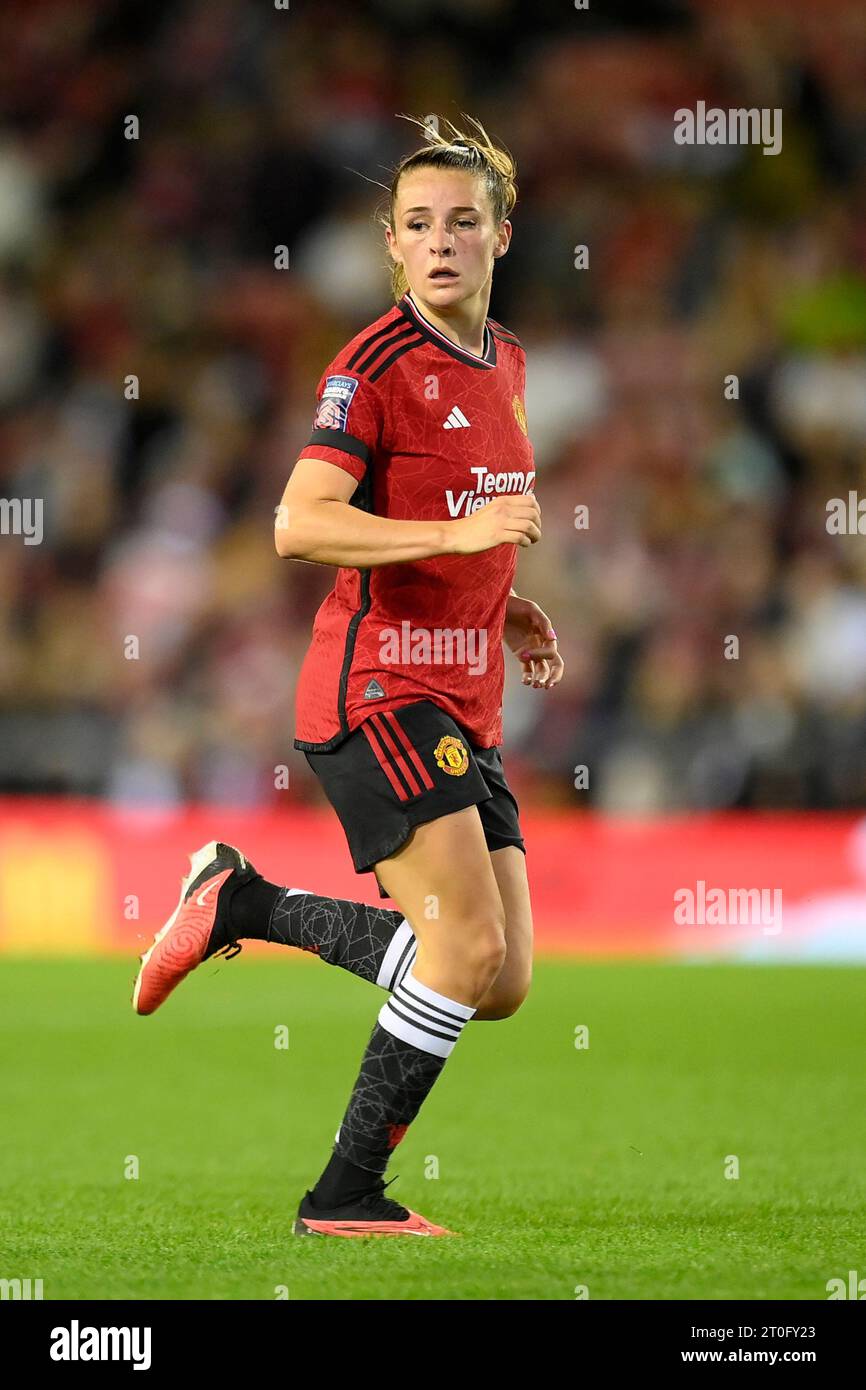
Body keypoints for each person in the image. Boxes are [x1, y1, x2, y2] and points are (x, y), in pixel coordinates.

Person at [132, 113, 564, 1238]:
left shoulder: (506, 361)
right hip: (374, 691)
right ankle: (344, 1198)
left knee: (501, 977)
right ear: (388, 244)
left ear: (500, 236)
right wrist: (463, 547)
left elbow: (452, 524)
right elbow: (298, 523)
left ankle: (245, 900)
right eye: (417, 224)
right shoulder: (371, 366)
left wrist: (499, 596)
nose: (439, 241)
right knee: (463, 951)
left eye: (462, 222)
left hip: (462, 697)